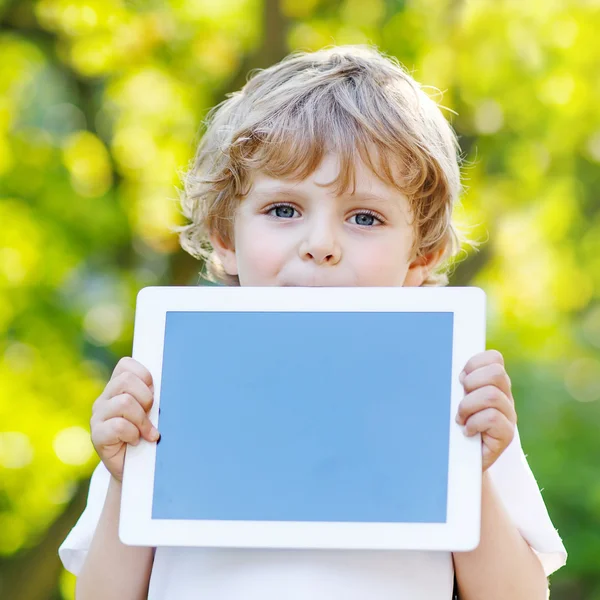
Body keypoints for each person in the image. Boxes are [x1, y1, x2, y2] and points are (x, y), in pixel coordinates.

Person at [58, 45, 567, 599]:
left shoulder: (451, 394)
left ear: (420, 257)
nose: (321, 245)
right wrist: (127, 477)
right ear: (226, 238)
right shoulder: (169, 386)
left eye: (364, 217)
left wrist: (472, 474)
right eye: (284, 210)